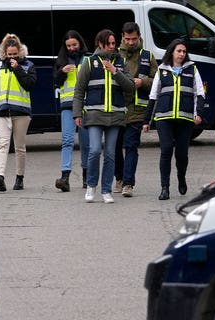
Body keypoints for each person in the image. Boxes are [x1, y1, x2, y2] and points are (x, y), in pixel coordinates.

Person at [73, 29, 135, 204]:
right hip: (94, 114)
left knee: (110, 154)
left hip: (115, 115)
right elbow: (79, 90)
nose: (111, 46)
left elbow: (130, 87)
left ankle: (106, 190)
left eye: (113, 43)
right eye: (108, 43)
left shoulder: (120, 62)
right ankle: (91, 186)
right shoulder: (90, 62)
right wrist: (77, 113)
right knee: (94, 151)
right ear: (100, 44)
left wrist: (115, 71)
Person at [143, 39, 204, 200]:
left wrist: (198, 113)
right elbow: (153, 96)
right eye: (179, 51)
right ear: (172, 52)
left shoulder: (192, 69)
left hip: (185, 118)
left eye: (184, 51)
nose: (182, 54)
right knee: (166, 149)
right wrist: (146, 121)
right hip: (164, 118)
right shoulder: (162, 70)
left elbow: (199, 93)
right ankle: (165, 188)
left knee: (182, 154)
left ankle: (181, 178)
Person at [0, 33, 37, 192]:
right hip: (3, 111)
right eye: (9, 54)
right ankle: (0, 176)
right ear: (4, 53)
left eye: (15, 54)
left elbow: (29, 85)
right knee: (3, 144)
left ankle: (19, 178)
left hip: (21, 112)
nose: (12, 57)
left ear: (20, 53)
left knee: (19, 147)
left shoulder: (28, 66)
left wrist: (17, 69)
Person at [114, 22, 158, 198]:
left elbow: (157, 80)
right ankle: (119, 177)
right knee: (115, 147)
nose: (131, 42)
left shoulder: (147, 56)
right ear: (122, 37)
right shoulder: (115, 55)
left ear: (139, 36)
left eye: (134, 39)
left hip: (137, 109)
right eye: (127, 39)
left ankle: (128, 183)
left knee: (131, 146)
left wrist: (144, 82)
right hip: (116, 108)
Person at [53, 30, 90, 192]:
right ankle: (65, 177)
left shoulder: (88, 59)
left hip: (86, 105)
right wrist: (62, 72)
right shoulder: (61, 60)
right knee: (67, 141)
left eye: (74, 45)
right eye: (68, 46)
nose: (72, 48)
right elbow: (55, 80)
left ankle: (87, 176)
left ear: (80, 43)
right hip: (68, 106)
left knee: (86, 143)